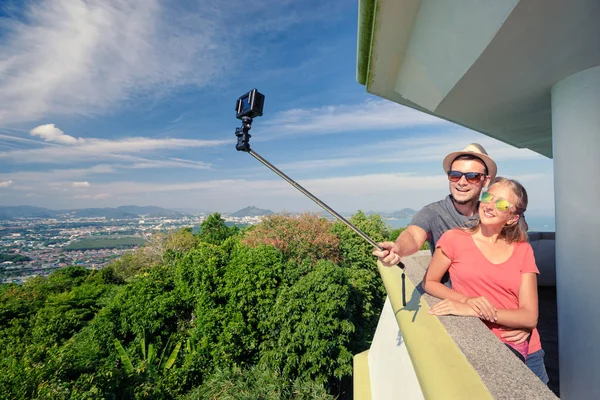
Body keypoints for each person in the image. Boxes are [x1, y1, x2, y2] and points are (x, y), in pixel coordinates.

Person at [372, 143, 533, 360]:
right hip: (457, 311)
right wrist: (398, 248)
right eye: (455, 175)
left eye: (472, 176)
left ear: (486, 181)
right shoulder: (434, 213)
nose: (462, 182)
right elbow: (413, 235)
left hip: (500, 325)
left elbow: (517, 271)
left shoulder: (494, 211)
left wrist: (518, 320)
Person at [422, 177, 549, 384]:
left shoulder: (522, 249)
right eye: (488, 197)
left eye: (501, 204)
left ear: (512, 218)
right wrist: (466, 301)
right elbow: (430, 282)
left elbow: (529, 317)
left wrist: (478, 310)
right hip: (483, 346)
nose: (490, 205)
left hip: (527, 348)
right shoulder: (454, 239)